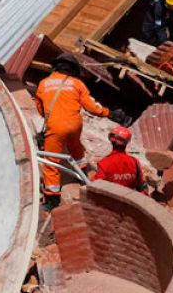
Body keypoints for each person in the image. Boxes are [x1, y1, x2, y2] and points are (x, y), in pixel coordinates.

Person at [34, 54, 124, 209]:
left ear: (56, 67)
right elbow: (92, 106)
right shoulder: (77, 84)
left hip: (55, 126)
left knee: (51, 162)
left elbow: (40, 107)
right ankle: (83, 174)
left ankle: (52, 199)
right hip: (75, 124)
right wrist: (109, 113)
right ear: (73, 70)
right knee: (75, 146)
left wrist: (50, 118)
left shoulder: (44, 83)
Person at [93, 126, 148, 194]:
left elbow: (96, 186)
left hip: (110, 201)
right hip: (130, 200)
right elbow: (141, 185)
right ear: (127, 142)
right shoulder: (134, 162)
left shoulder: (104, 163)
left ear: (111, 140)